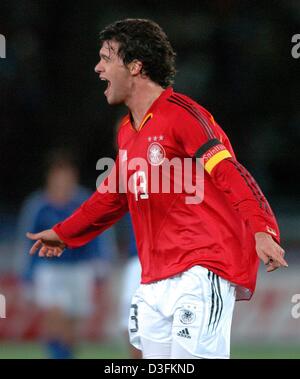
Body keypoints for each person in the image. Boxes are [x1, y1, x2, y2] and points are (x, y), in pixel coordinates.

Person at [26, 19, 287, 359]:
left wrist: (262, 228)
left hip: (200, 270)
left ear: (135, 66)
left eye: (107, 58)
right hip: (153, 279)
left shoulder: (183, 116)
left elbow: (230, 173)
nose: (98, 67)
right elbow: (114, 196)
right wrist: (64, 233)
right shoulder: (128, 132)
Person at [17, 148, 117, 359]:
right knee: (56, 318)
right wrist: (26, 277)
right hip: (50, 270)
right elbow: (26, 241)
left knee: (71, 330)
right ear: (50, 177)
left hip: (80, 270)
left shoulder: (83, 202)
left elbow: (99, 232)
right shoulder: (39, 206)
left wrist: (102, 266)